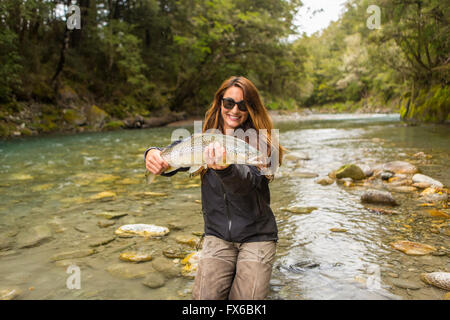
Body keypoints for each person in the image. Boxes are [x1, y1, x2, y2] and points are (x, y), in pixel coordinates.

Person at [144, 76, 283, 300]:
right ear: (220, 103)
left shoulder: (263, 143)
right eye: (229, 103)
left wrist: (225, 169)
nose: (234, 110)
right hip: (218, 236)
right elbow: (173, 154)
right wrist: (152, 154)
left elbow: (249, 182)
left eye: (243, 105)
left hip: (257, 237)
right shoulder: (204, 138)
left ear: (251, 108)